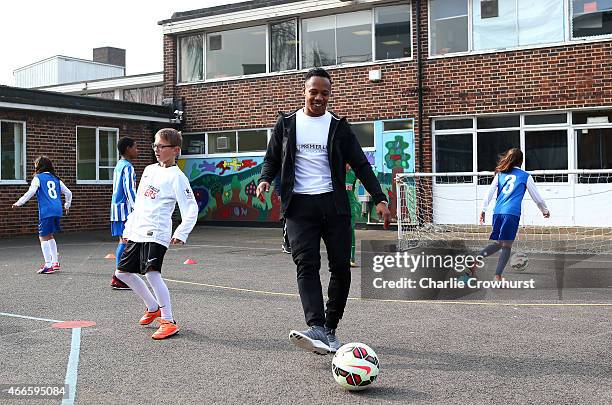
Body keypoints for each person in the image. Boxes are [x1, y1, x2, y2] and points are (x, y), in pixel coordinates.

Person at [257, 68, 391, 355]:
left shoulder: (339, 127)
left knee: (341, 267)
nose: (318, 97)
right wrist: (265, 180)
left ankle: (330, 328)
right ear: (304, 92)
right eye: (313, 91)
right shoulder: (287, 124)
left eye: (324, 93)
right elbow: (271, 159)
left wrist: (379, 197)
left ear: (330, 95)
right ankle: (316, 326)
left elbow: (361, 164)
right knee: (307, 264)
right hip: (299, 206)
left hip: (334, 204)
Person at [115, 128, 198, 340]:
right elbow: (140, 203)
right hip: (138, 230)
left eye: (162, 146)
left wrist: (182, 231)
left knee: (152, 273)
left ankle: (168, 321)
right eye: (155, 145)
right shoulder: (150, 170)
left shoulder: (177, 177)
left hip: (157, 231)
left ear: (175, 150)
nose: (157, 150)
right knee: (122, 273)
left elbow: (191, 207)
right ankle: (153, 307)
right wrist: (128, 228)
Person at [470, 148, 550, 281]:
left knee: (499, 243)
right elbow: (538, 198)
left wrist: (483, 210)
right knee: (506, 245)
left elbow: (489, 193)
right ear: (522, 161)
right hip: (511, 213)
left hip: (497, 212)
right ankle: (498, 276)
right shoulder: (525, 176)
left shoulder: (500, 174)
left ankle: (476, 259)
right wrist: (545, 211)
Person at [12, 156, 72, 274]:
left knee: (42, 236)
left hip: (47, 210)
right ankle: (55, 262)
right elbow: (69, 192)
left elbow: (31, 192)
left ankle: (48, 265)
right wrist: (67, 205)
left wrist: (19, 203)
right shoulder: (56, 179)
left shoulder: (38, 178)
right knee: (49, 235)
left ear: (39, 166)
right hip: (57, 209)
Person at [110, 137, 139, 290]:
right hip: (124, 209)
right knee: (127, 241)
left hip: (116, 207)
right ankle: (119, 276)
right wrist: (138, 208)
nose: (137, 150)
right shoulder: (127, 166)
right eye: (135, 147)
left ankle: (119, 275)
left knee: (124, 241)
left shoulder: (119, 165)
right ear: (128, 149)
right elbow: (129, 190)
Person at [345, 164, 359, 267]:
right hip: (336, 205)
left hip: (350, 205)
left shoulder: (353, 174)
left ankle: (351, 258)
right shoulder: (335, 172)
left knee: (350, 229)